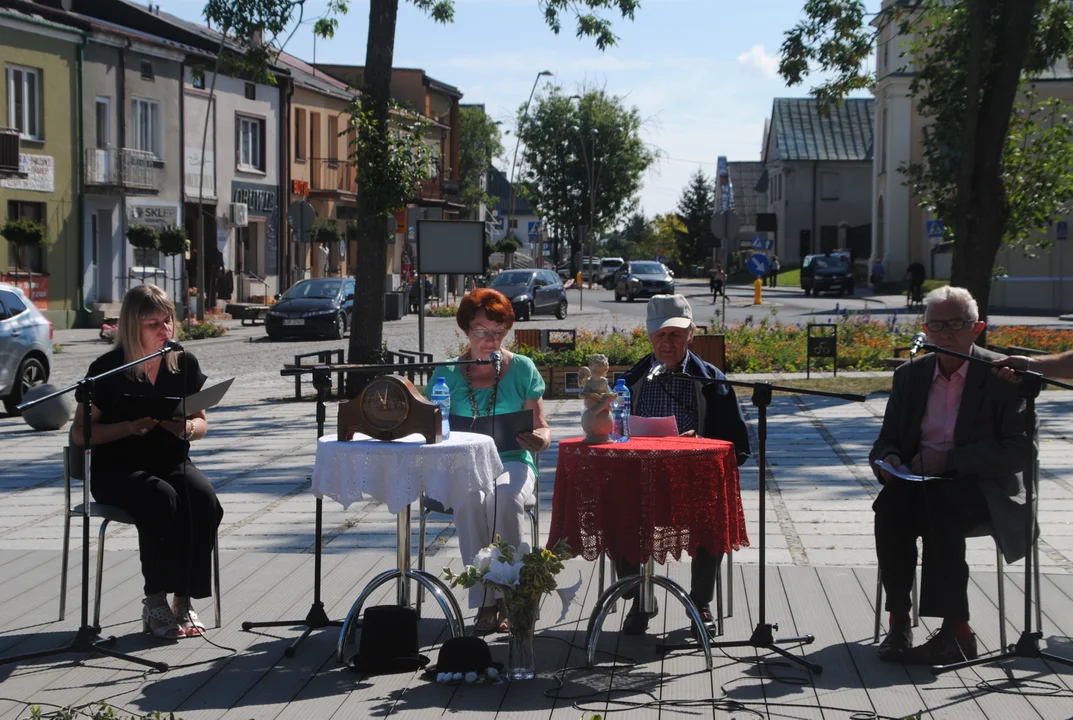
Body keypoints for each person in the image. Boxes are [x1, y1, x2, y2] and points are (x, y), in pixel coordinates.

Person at [870, 286, 1031, 665]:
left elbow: (1020, 451)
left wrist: (951, 461)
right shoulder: (911, 375)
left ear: (977, 328)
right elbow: (886, 440)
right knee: (891, 505)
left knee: (938, 505)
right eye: (937, 326)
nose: (946, 334)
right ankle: (899, 622)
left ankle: (956, 630)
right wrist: (889, 459)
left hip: (983, 488)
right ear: (925, 329)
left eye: (956, 324)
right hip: (920, 485)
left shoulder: (1002, 376)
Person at [71, 284, 223, 640]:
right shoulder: (106, 369)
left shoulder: (183, 362)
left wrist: (185, 427)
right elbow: (80, 433)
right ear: (131, 326)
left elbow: (201, 423)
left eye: (168, 320)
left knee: (203, 500)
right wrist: (127, 426)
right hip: (118, 468)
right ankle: (154, 599)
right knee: (161, 498)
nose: (164, 329)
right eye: (153, 323)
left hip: (169, 458)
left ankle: (183, 599)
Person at [614, 294, 751, 635]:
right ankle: (640, 597)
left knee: (712, 511)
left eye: (675, 334)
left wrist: (700, 444)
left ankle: (700, 602)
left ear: (691, 334)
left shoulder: (711, 381)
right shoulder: (633, 379)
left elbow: (738, 445)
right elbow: (611, 432)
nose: (667, 342)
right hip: (642, 478)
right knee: (615, 508)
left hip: (694, 479)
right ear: (649, 336)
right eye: (660, 335)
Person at [427, 288, 551, 634]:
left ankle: (513, 595)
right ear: (466, 330)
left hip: (512, 457)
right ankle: (485, 602)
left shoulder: (522, 368)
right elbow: (430, 427)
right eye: (482, 331)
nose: (490, 339)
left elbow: (541, 426)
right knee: (470, 499)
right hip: (464, 463)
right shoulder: (448, 373)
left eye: (498, 332)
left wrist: (540, 439)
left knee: (504, 496)